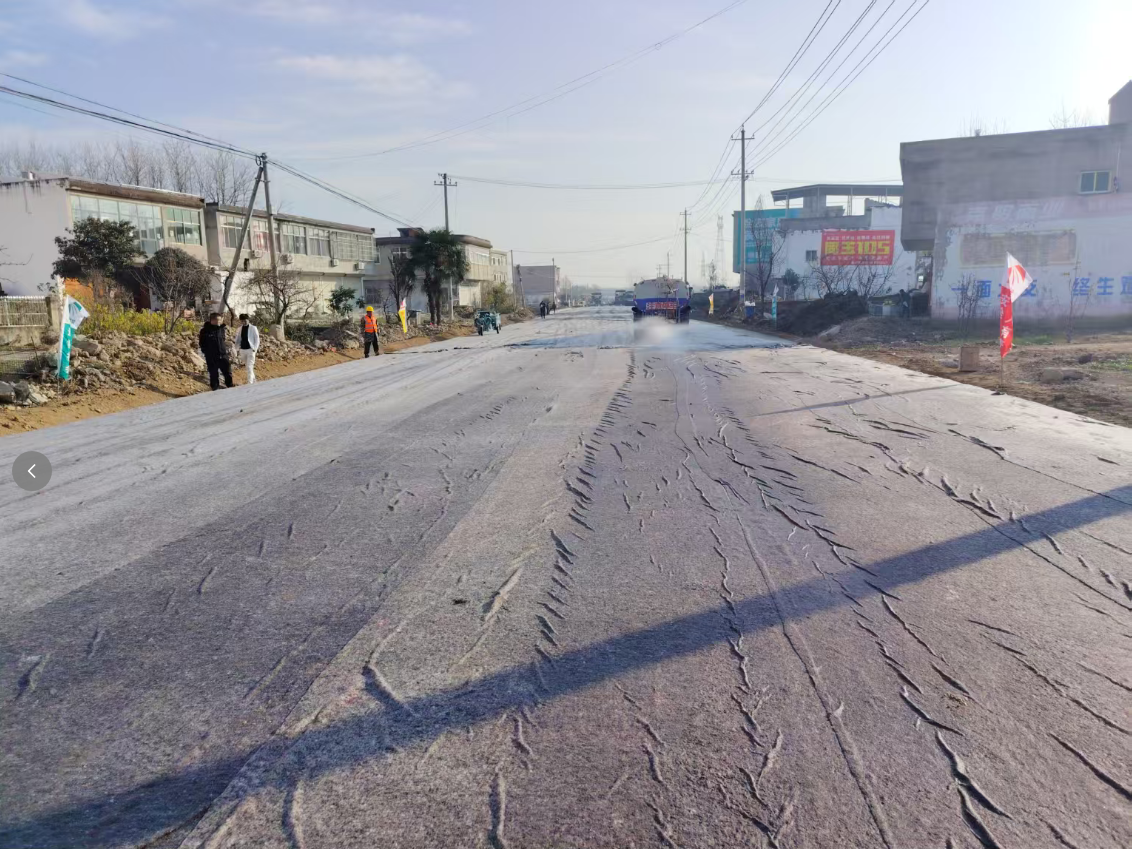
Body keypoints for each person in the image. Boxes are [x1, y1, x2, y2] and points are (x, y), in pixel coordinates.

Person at [198, 312, 234, 390]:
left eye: (220, 320)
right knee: (213, 374)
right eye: (218, 320)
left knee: (228, 372)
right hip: (211, 357)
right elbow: (201, 343)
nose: (219, 321)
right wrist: (207, 353)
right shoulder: (204, 331)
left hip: (223, 355)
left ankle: (230, 387)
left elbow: (223, 340)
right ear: (212, 320)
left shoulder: (221, 329)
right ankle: (215, 389)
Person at [237, 313, 259, 384]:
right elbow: (238, 339)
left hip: (250, 349)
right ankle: (254, 380)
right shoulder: (239, 329)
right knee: (248, 367)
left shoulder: (253, 328)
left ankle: (250, 383)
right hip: (242, 350)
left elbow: (257, 339)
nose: (244, 322)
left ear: (248, 320)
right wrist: (237, 349)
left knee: (249, 366)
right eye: (242, 321)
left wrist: (255, 349)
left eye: (245, 320)